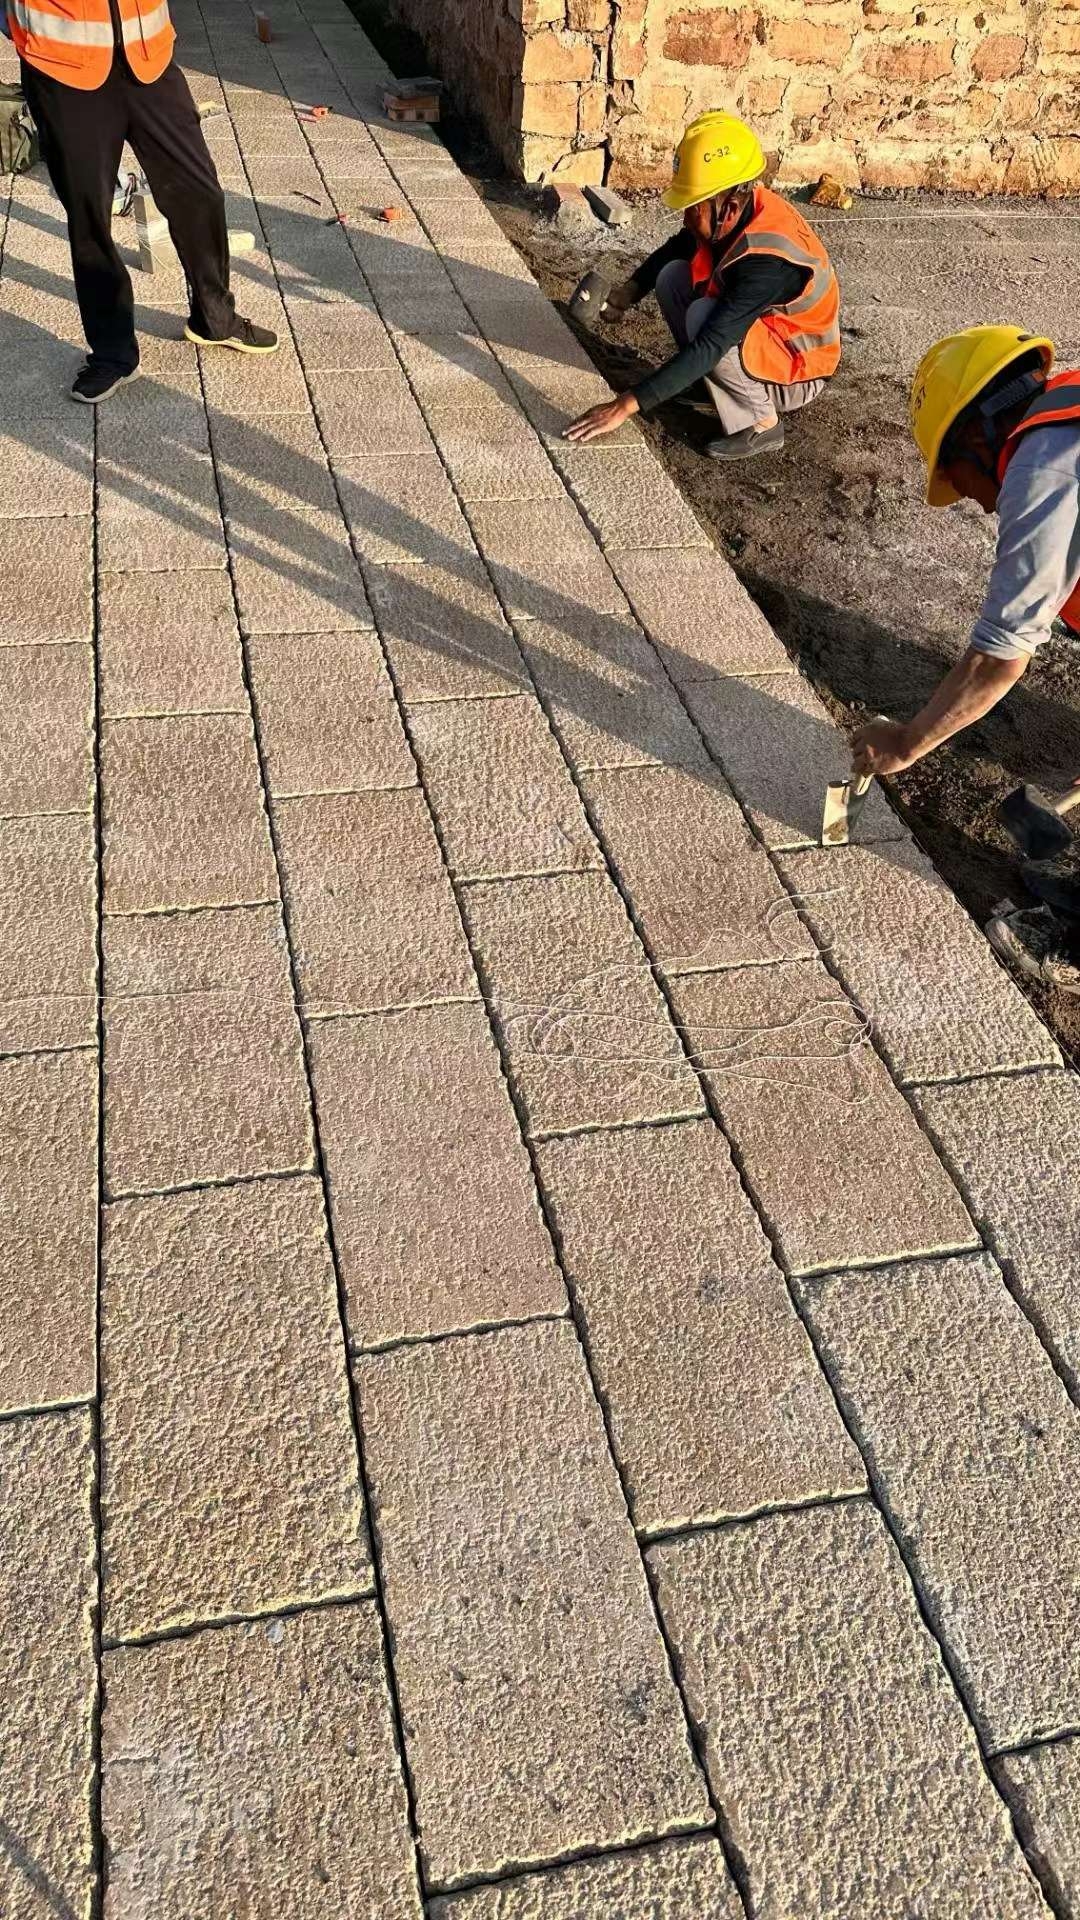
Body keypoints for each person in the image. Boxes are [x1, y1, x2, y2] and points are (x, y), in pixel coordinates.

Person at [853, 325, 1080, 993]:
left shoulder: (1045, 466)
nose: (976, 502)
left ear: (976, 437)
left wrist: (906, 742)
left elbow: (996, 659)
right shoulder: (1067, 404)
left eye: (954, 477)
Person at [4, 0, 278, 402]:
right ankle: (113, 354)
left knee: (199, 191)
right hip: (63, 68)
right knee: (89, 215)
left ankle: (215, 319)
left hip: (147, 57)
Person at [563, 110, 841, 461]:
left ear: (729, 207)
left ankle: (762, 423)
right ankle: (712, 384)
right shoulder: (743, 208)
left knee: (703, 318)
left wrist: (623, 407)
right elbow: (681, 246)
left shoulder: (767, 264)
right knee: (672, 277)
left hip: (796, 373)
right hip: (767, 342)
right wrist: (629, 292)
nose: (687, 217)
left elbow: (711, 343)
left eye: (694, 207)